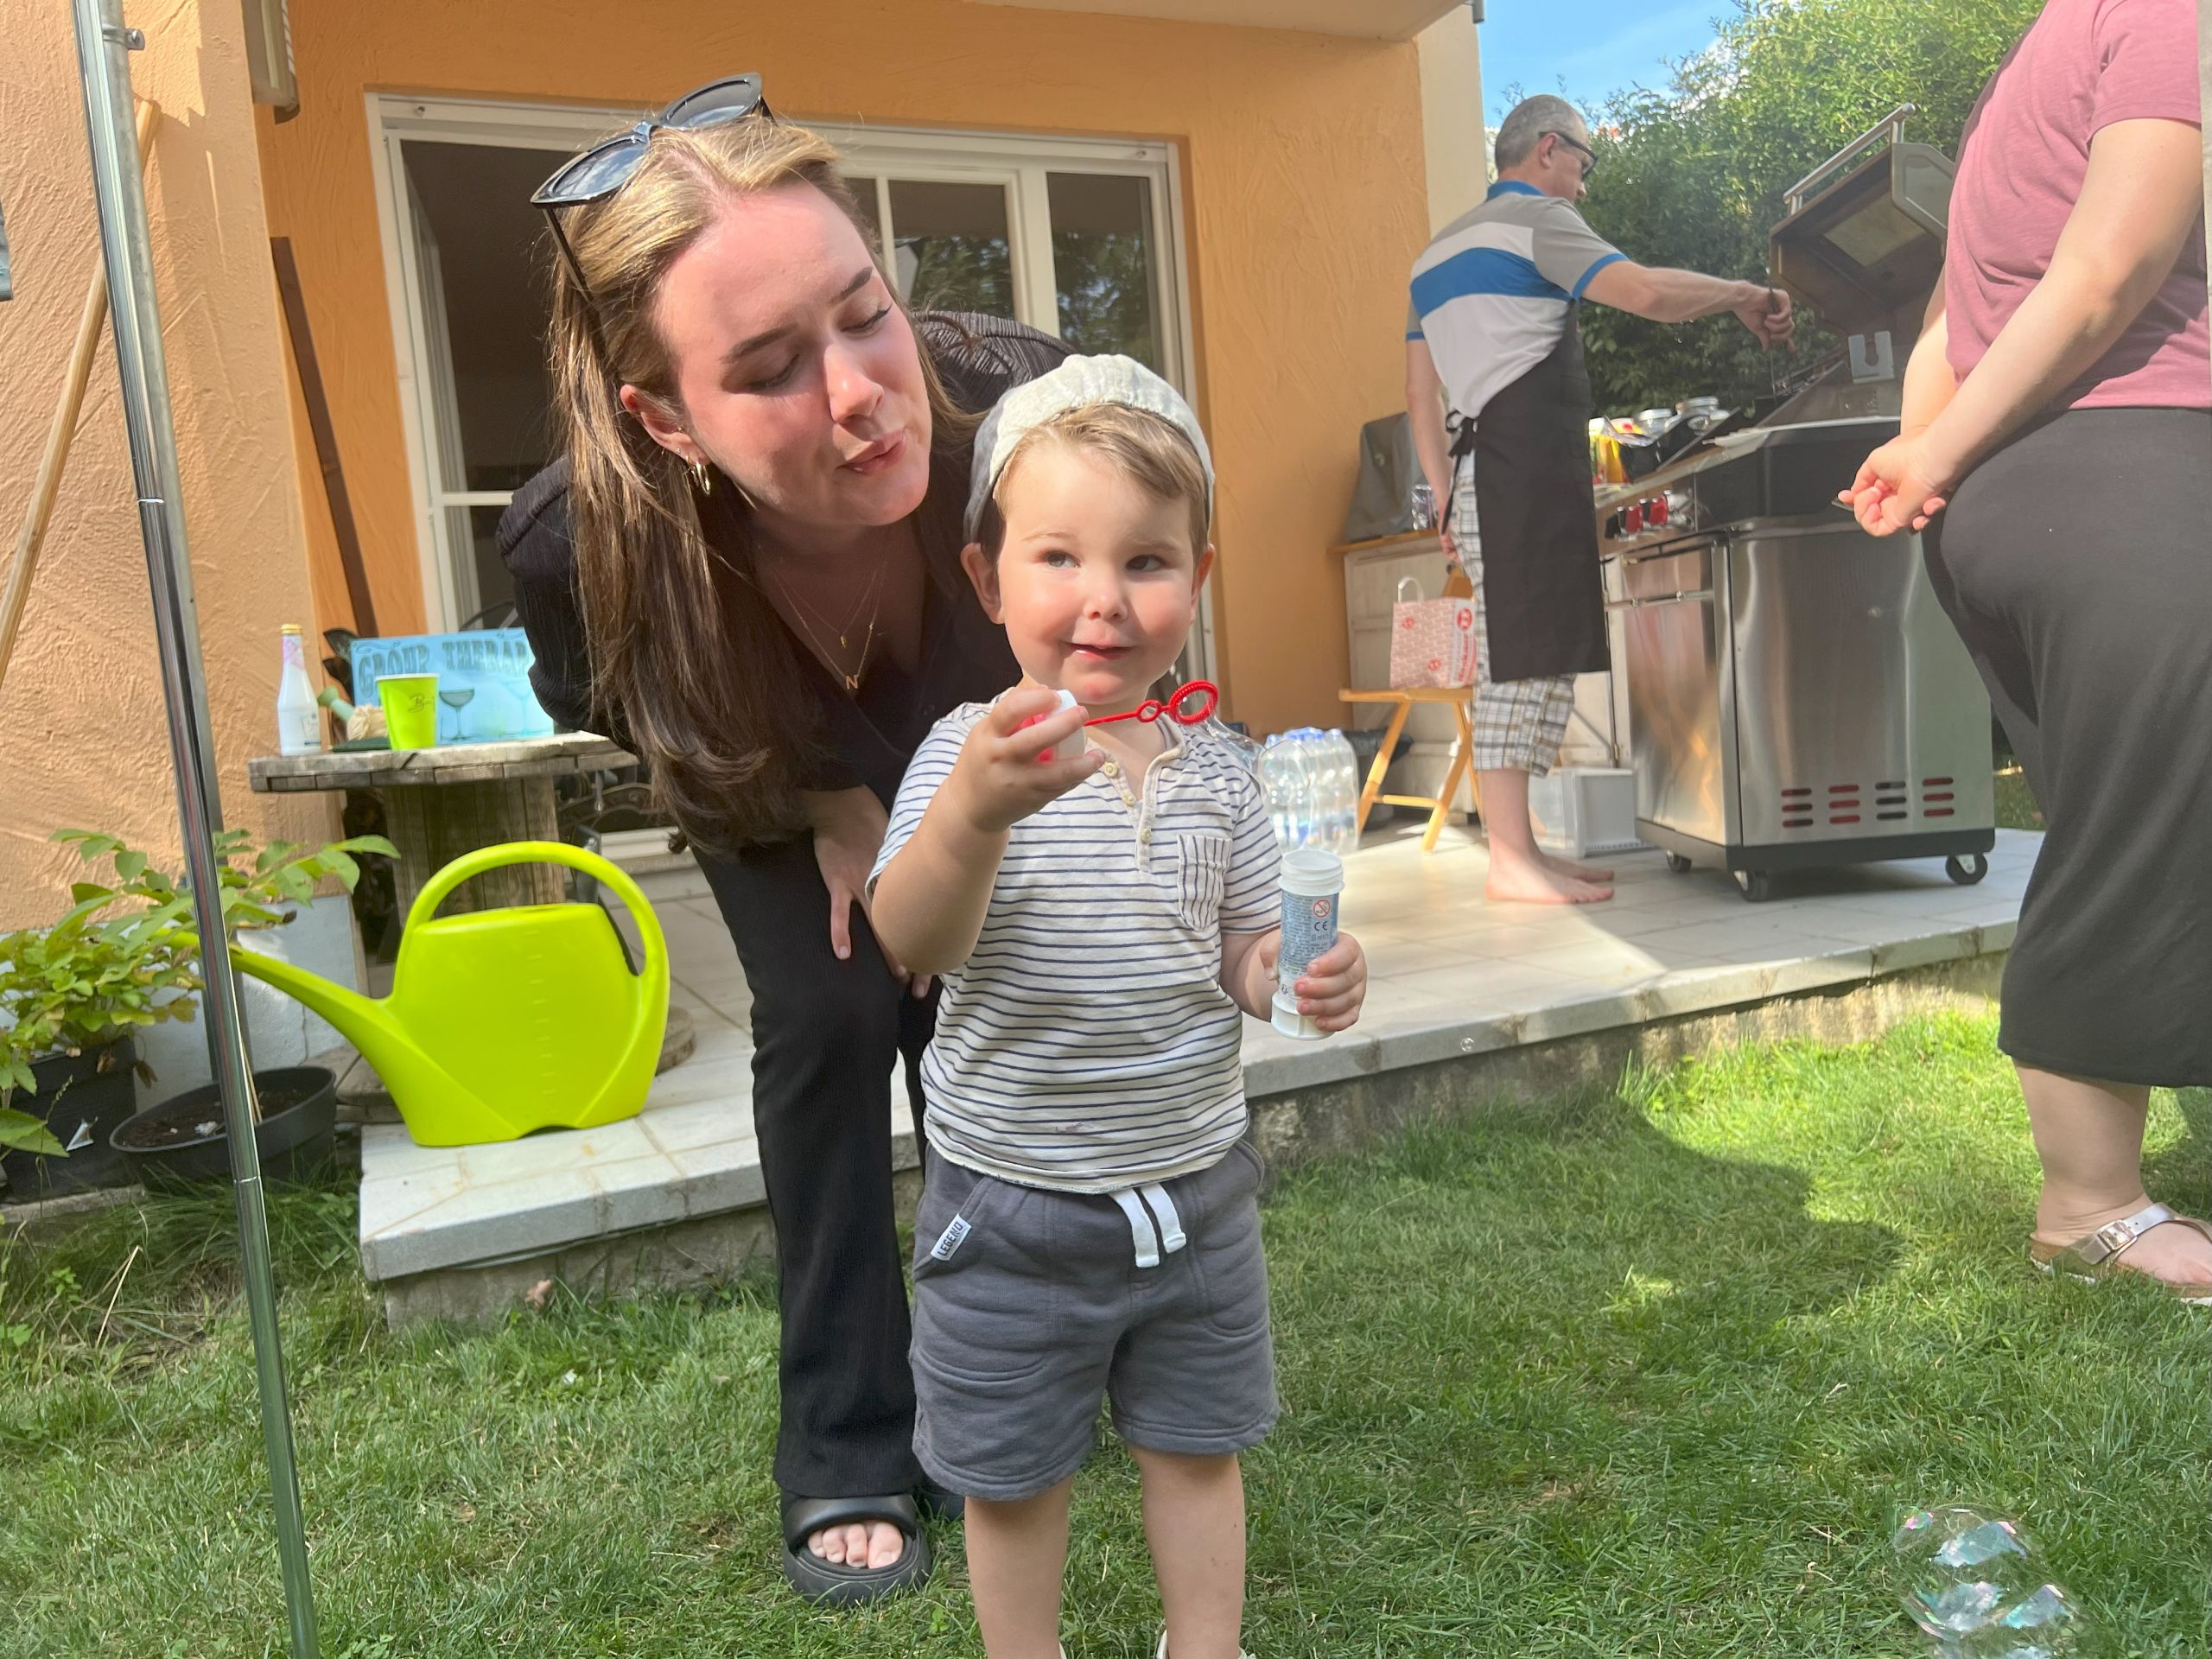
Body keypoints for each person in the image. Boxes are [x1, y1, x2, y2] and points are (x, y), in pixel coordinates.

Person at [497, 78, 1075, 1601]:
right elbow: (627, 710)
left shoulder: (1024, 410)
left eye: (866, 314)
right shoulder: (578, 546)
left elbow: (1129, 573)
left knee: (974, 1009)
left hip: (974, 728)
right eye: (766, 370)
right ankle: (846, 1434)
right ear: (665, 417)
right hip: (761, 755)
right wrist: (817, 798)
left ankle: (1009, 1358)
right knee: (829, 1014)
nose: (862, 394)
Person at [868, 355, 1370, 1659]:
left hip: (1195, 1189)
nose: (1103, 599)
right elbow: (912, 940)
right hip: (1011, 1200)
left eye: (1146, 562)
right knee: (1013, 1478)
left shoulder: (1220, 768)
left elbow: (1242, 949)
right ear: (988, 580)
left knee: (1197, 1449)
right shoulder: (969, 754)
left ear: (1196, 580)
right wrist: (975, 815)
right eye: (1058, 558)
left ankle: (1206, 1645)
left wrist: (1294, 972)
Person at [1841, 0, 2211, 1299]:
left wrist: (1932, 467)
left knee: (2135, 815)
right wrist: (1931, 457)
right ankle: (2089, 1205)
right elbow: (2109, 269)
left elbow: (1948, 322)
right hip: (2134, 470)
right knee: (2145, 827)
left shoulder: (2031, 67)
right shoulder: (2164, 13)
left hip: (2021, 495)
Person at [1405, 92, 1793, 905]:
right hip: (1517, 475)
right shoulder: (1536, 222)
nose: (1584, 186)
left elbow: (1419, 395)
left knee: (1536, 656)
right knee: (1519, 663)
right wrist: (1741, 294)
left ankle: (1525, 849)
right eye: (1584, 164)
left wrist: (1443, 498)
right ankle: (1510, 860)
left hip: (1484, 475)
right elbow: (1644, 293)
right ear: (1548, 148)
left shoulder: (1432, 258)